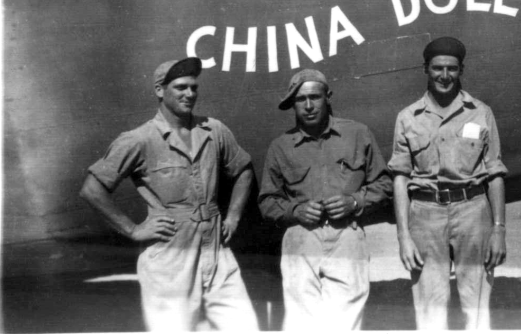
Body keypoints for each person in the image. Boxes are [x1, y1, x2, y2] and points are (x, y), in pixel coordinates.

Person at [79, 57, 258, 331]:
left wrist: (233, 217)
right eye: (181, 87)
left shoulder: (214, 130)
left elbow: (243, 169)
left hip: (218, 251)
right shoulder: (139, 139)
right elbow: (92, 189)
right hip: (171, 257)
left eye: (194, 87)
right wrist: (132, 230)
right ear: (160, 90)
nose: (190, 94)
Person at [258, 69, 392, 330]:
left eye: (315, 97)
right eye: (300, 100)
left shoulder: (358, 134)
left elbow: (384, 184)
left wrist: (354, 202)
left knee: (345, 320)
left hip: (347, 235)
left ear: (327, 97)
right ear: (293, 104)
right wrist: (295, 211)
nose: (308, 106)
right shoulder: (280, 146)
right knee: (301, 321)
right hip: (301, 237)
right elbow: (267, 201)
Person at [388, 37, 507, 329]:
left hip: (473, 213)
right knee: (430, 309)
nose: (444, 76)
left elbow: (495, 174)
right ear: (425, 69)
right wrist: (403, 236)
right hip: (425, 216)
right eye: (437, 68)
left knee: (476, 306)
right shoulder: (407, 118)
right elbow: (400, 179)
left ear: (461, 70)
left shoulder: (481, 113)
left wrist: (498, 231)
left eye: (451, 69)